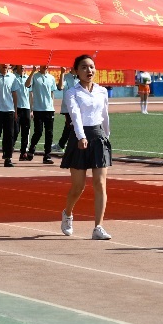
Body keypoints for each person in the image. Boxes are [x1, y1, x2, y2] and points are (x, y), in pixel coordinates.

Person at [60, 54, 112, 240]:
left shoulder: (102, 91)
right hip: (79, 138)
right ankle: (67, 213)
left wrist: (106, 136)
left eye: (91, 67)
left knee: (100, 183)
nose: (89, 70)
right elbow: (75, 116)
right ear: (76, 71)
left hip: (99, 138)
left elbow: (105, 115)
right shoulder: (72, 92)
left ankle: (98, 227)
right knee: (78, 187)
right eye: (83, 67)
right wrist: (81, 137)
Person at [26, 65, 57, 163]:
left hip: (49, 109)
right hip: (38, 109)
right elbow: (27, 85)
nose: (45, 66)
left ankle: (47, 155)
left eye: (47, 65)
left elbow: (52, 93)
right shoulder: (35, 76)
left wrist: (52, 105)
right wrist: (32, 72)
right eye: (43, 64)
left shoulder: (51, 78)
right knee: (38, 132)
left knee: (49, 133)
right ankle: (32, 148)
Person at [10, 65, 32, 161]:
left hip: (26, 108)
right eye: (21, 65)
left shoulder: (28, 77)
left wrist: (31, 109)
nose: (23, 66)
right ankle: (9, 149)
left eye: (24, 65)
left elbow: (30, 93)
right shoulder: (12, 77)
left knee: (25, 131)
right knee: (15, 131)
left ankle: (23, 152)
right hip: (15, 108)